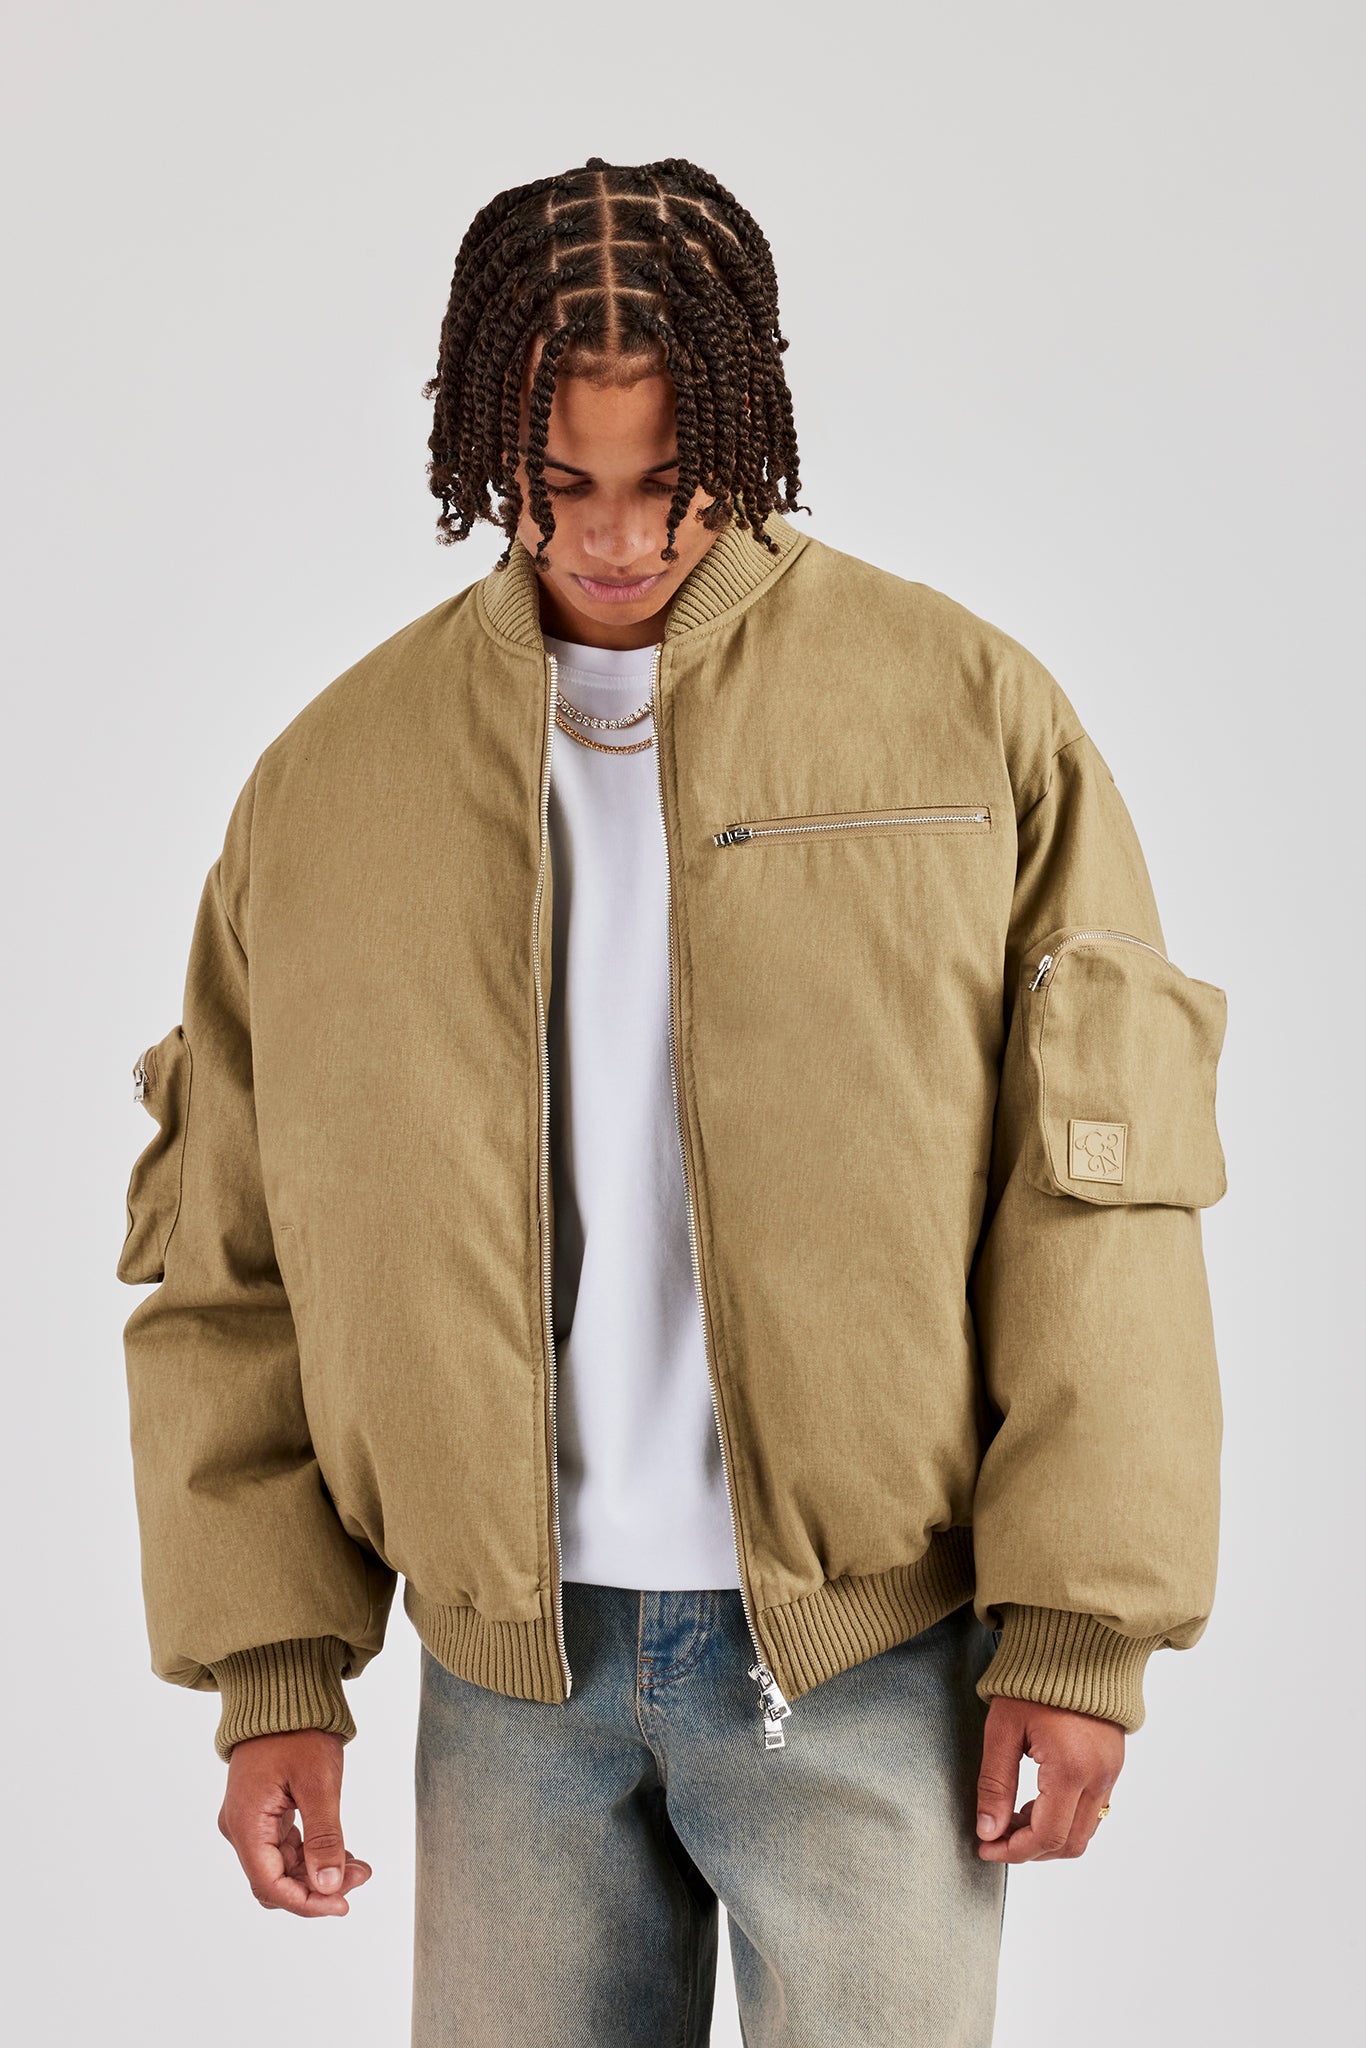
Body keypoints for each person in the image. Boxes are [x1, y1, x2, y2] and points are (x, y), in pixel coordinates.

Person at [116, 155, 1228, 2046]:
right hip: (509, 1690)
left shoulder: (967, 716)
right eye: (560, 486)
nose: (618, 538)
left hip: (872, 1662)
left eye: (669, 482)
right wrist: (272, 1672)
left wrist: (1076, 1628)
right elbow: (231, 1252)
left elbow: (1095, 1204)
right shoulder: (330, 786)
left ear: (745, 433)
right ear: (484, 454)